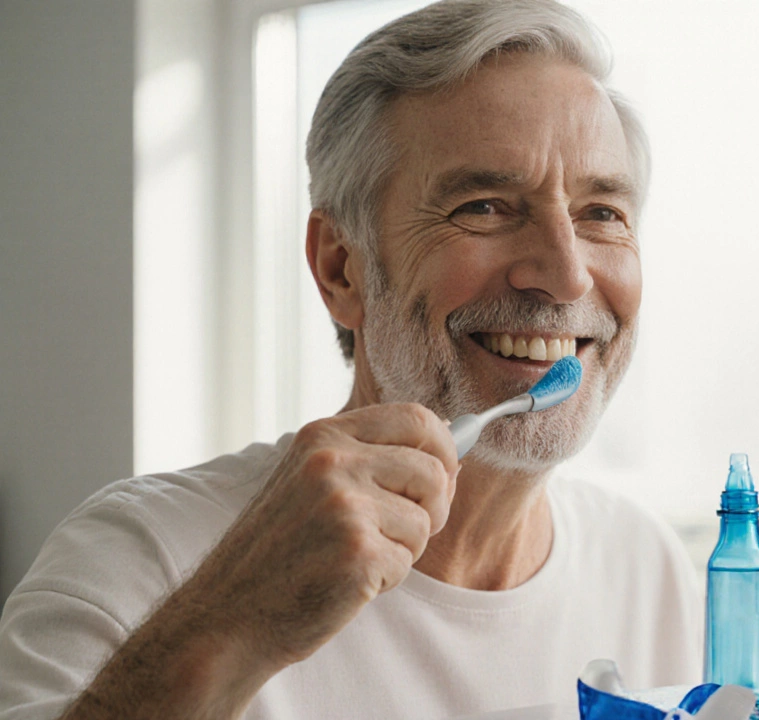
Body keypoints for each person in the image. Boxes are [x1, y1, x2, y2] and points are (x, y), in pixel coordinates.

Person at [0, 1, 702, 718]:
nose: (567, 274)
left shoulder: (645, 567)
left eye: (602, 214)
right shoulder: (134, 562)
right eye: (486, 206)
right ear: (341, 268)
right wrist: (235, 624)